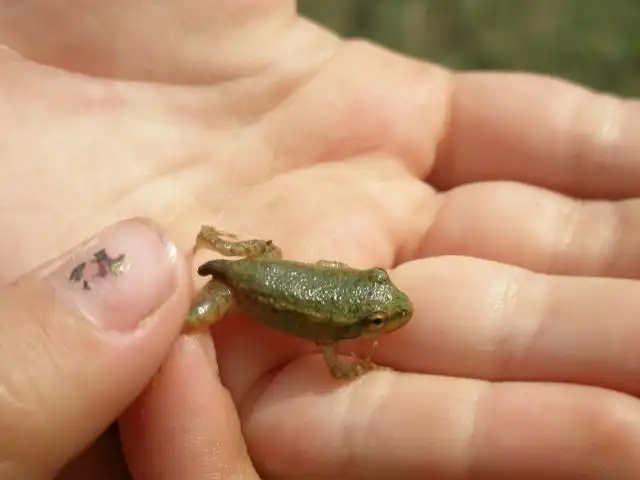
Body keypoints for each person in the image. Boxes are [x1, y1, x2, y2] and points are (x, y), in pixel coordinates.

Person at [0, 1, 639, 478]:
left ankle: (208, 251)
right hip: (239, 293)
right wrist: (352, 367)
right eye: (379, 318)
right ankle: (162, 309)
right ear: (356, 325)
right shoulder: (335, 340)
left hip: (269, 269)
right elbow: (334, 362)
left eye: (382, 307)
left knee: (261, 261)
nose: (392, 314)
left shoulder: (348, 308)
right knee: (182, 331)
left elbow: (338, 274)